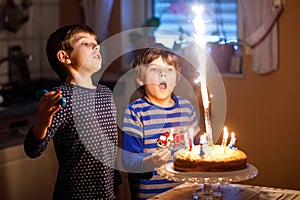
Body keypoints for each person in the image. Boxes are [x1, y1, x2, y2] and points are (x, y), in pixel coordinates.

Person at [24, 24, 119, 199]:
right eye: (85, 43)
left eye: (95, 43)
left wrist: (115, 187)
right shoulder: (61, 98)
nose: (96, 46)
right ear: (64, 56)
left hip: (107, 194)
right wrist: (43, 121)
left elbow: (108, 148)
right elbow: (33, 150)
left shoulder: (106, 93)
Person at [122, 45, 201, 200]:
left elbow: (198, 149)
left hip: (186, 193)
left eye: (169, 70)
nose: (163, 74)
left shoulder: (186, 108)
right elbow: (129, 160)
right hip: (152, 196)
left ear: (177, 78)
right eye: (154, 70)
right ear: (140, 79)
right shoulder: (136, 112)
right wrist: (149, 162)